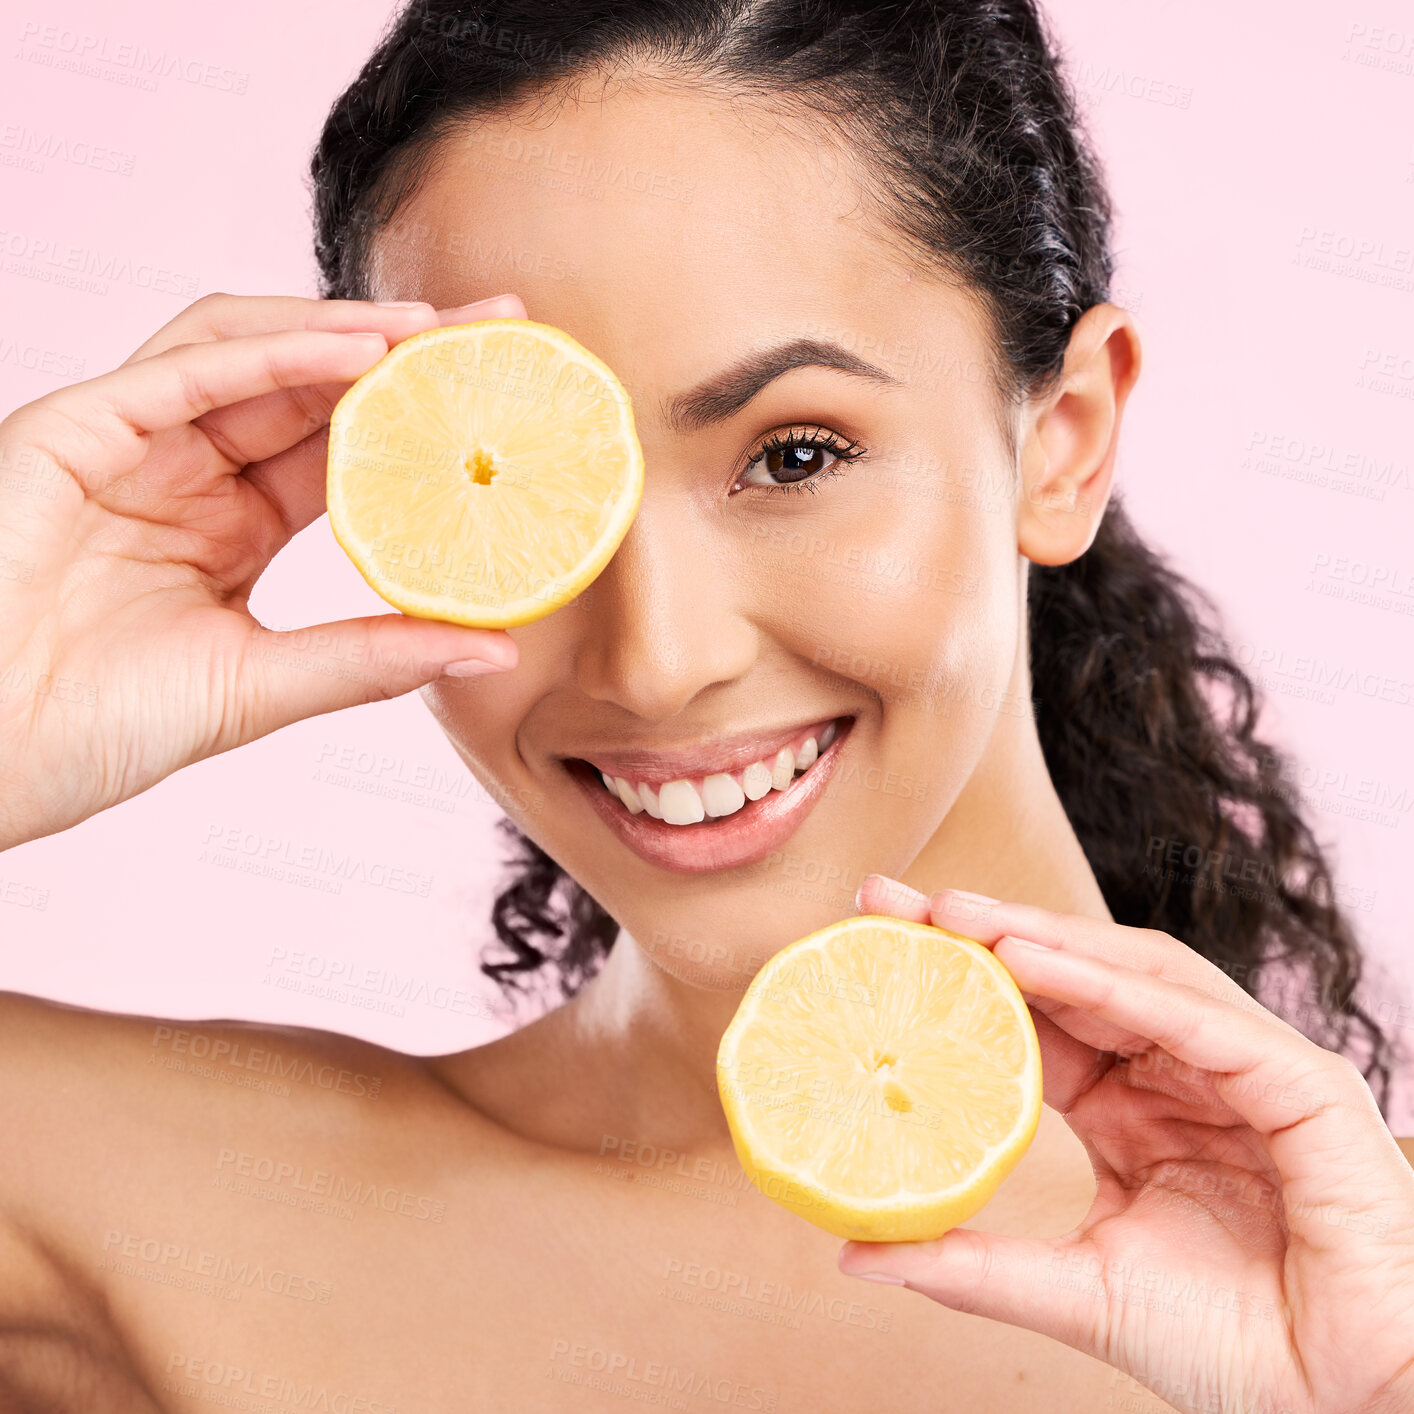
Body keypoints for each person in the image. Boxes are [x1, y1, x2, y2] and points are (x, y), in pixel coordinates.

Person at [1, 1, 1411, 1410]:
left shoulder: (1356, 1303)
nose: (651, 659)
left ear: (1062, 442)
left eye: (793, 455)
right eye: (536, 487)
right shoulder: (164, 1211)